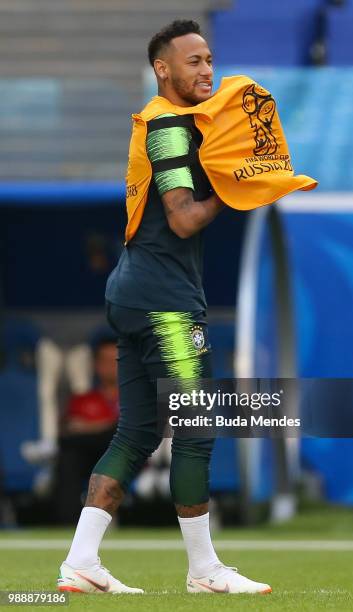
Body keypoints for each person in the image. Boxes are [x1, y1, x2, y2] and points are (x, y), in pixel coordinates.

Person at [57, 20, 271, 595]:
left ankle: (81, 561)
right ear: (163, 69)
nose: (206, 70)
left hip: (133, 295)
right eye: (193, 61)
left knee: (135, 435)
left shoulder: (170, 123)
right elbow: (183, 216)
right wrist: (235, 186)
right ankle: (204, 571)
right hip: (165, 304)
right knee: (196, 430)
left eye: (209, 59)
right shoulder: (170, 128)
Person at [54, 337, 119, 524]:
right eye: (106, 361)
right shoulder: (84, 399)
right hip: (89, 456)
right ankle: (70, 524)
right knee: (69, 455)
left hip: (126, 454)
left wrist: (92, 427)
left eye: (116, 361)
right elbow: (69, 429)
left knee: (116, 436)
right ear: (96, 365)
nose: (111, 366)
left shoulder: (135, 398)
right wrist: (106, 427)